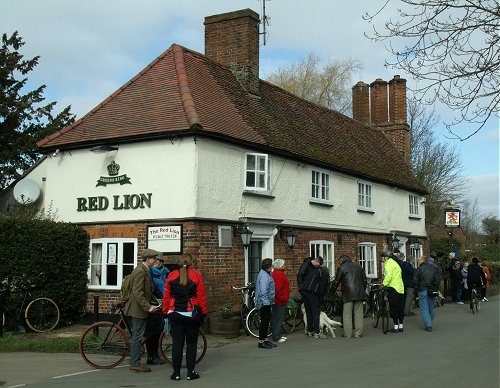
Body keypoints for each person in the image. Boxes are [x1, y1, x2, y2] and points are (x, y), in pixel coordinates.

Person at [162, 253, 207, 381]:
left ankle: (176, 373)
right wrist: (203, 312)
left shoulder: (171, 275)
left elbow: (166, 296)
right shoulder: (196, 275)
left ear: (179, 262)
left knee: (177, 343)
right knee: (191, 344)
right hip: (191, 314)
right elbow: (201, 296)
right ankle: (190, 372)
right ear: (191, 262)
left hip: (175, 313)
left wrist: (165, 312)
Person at [124, 248, 161, 373]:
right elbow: (137, 293)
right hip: (137, 309)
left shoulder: (146, 270)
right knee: (137, 337)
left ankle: (148, 356)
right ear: (147, 259)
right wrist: (148, 307)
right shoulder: (140, 271)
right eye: (153, 258)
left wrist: (156, 302)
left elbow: (147, 291)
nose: (155, 260)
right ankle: (134, 363)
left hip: (140, 307)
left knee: (148, 330)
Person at [330, 255, 367, 338]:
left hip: (348, 294)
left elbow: (336, 282)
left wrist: (331, 293)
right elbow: (364, 280)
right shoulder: (358, 266)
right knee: (358, 314)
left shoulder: (342, 268)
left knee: (347, 315)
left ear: (342, 260)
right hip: (359, 293)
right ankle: (358, 334)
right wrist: (362, 290)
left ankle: (347, 334)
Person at [297, 257, 329, 339]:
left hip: (304, 291)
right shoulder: (323, 272)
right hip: (312, 292)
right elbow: (322, 287)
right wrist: (321, 297)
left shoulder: (312, 270)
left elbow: (302, 276)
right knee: (315, 312)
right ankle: (317, 332)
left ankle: (309, 331)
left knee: (308, 312)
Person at [145, 256, 168, 365]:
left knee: (158, 331)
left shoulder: (163, 273)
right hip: (154, 304)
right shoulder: (150, 273)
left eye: (160, 260)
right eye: (156, 260)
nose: (158, 262)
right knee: (152, 332)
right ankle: (151, 356)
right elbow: (152, 289)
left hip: (161, 303)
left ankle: (155, 355)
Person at [414, 256, 440, 332]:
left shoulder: (418, 270)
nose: (418, 261)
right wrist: (435, 289)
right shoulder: (434, 269)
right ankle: (429, 321)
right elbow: (437, 280)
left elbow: (415, 281)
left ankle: (428, 325)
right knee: (431, 308)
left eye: (418, 260)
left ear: (422, 260)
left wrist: (416, 290)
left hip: (422, 290)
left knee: (424, 308)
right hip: (431, 290)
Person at [255, 258, 276, 349]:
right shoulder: (264, 276)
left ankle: (265, 340)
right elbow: (263, 291)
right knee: (264, 322)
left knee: (266, 321)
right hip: (264, 303)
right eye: (272, 265)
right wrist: (267, 303)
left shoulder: (266, 274)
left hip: (266, 302)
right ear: (268, 267)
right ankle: (261, 341)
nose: (273, 267)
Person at [383, 253, 405, 333]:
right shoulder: (397, 263)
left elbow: (388, 275)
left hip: (393, 288)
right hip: (401, 288)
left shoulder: (389, 263)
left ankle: (395, 326)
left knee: (394, 307)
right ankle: (401, 326)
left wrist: (384, 284)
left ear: (386, 258)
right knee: (400, 308)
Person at [271, 259, 290, 343]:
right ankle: (276, 336)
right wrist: (283, 298)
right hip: (279, 301)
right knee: (277, 319)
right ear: (279, 266)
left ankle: (278, 334)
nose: (284, 266)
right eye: (283, 265)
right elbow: (277, 290)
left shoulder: (278, 273)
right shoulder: (278, 274)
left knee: (278, 318)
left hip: (279, 300)